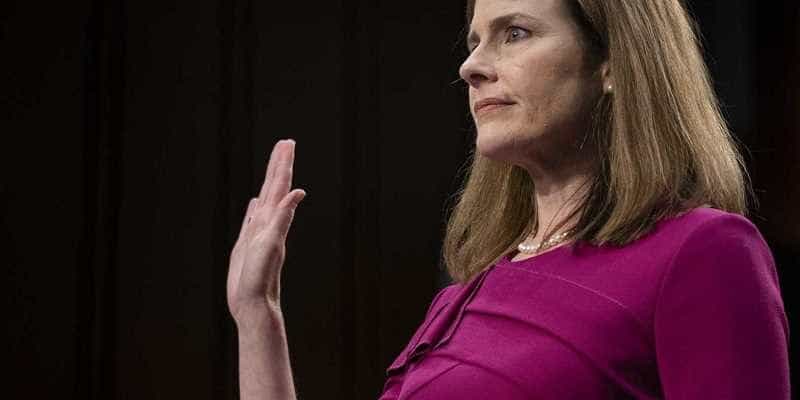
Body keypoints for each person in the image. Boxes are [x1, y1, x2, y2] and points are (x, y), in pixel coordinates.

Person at [226, 0, 791, 398]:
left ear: (613, 61)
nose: (470, 66)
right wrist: (258, 317)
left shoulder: (702, 251)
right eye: (474, 40)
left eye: (514, 32)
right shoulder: (462, 296)